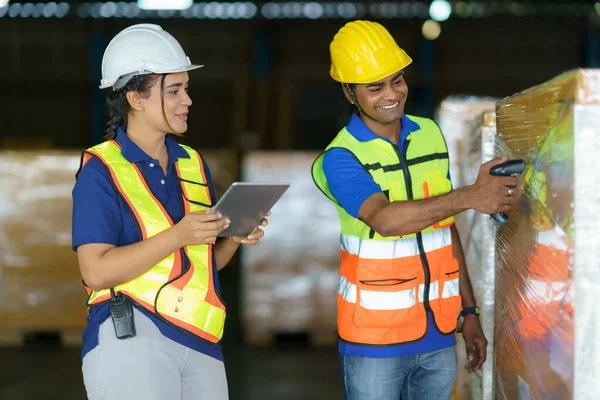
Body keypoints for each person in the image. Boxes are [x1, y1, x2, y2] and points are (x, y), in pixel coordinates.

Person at [311, 20, 519, 400]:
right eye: (375, 87)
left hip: (438, 334)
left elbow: (445, 228)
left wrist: (468, 313)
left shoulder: (429, 134)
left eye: (397, 80)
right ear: (349, 92)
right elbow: (385, 220)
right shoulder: (339, 158)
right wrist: (471, 195)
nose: (391, 94)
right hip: (374, 343)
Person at [72, 24, 268, 400]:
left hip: (200, 338)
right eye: (174, 90)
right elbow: (95, 271)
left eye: (186, 89)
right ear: (136, 98)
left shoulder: (191, 163)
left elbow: (197, 264)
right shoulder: (101, 171)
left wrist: (232, 240)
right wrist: (179, 234)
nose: (187, 100)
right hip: (130, 336)